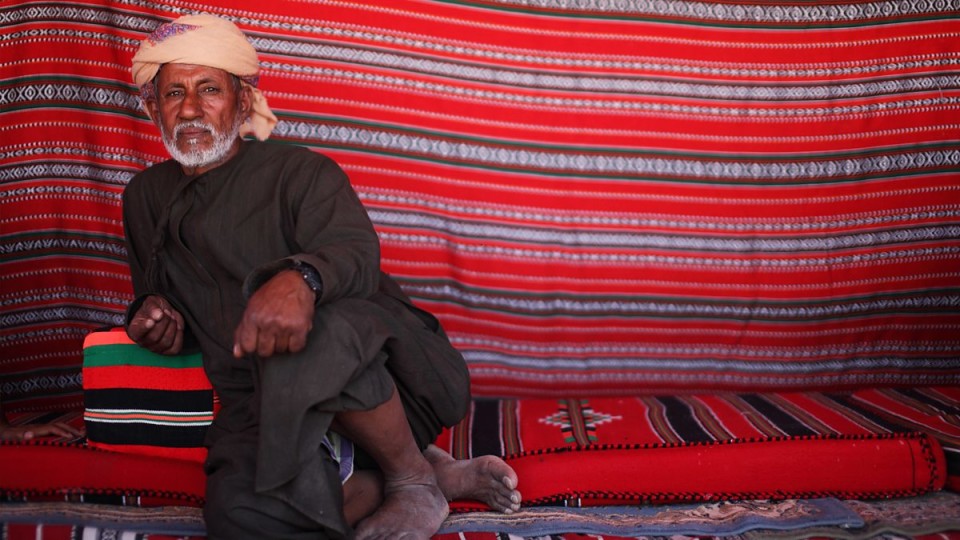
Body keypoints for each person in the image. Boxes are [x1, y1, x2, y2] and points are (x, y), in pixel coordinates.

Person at [123, 14, 520, 540]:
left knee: (315, 330)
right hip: (264, 407)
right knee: (240, 518)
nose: (191, 109)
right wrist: (152, 316)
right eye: (174, 92)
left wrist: (300, 282)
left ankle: (412, 479)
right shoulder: (144, 198)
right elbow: (157, 296)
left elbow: (356, 255)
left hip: (388, 377)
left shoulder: (301, 173)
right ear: (153, 107)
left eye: (209, 90)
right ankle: (407, 476)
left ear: (242, 102)